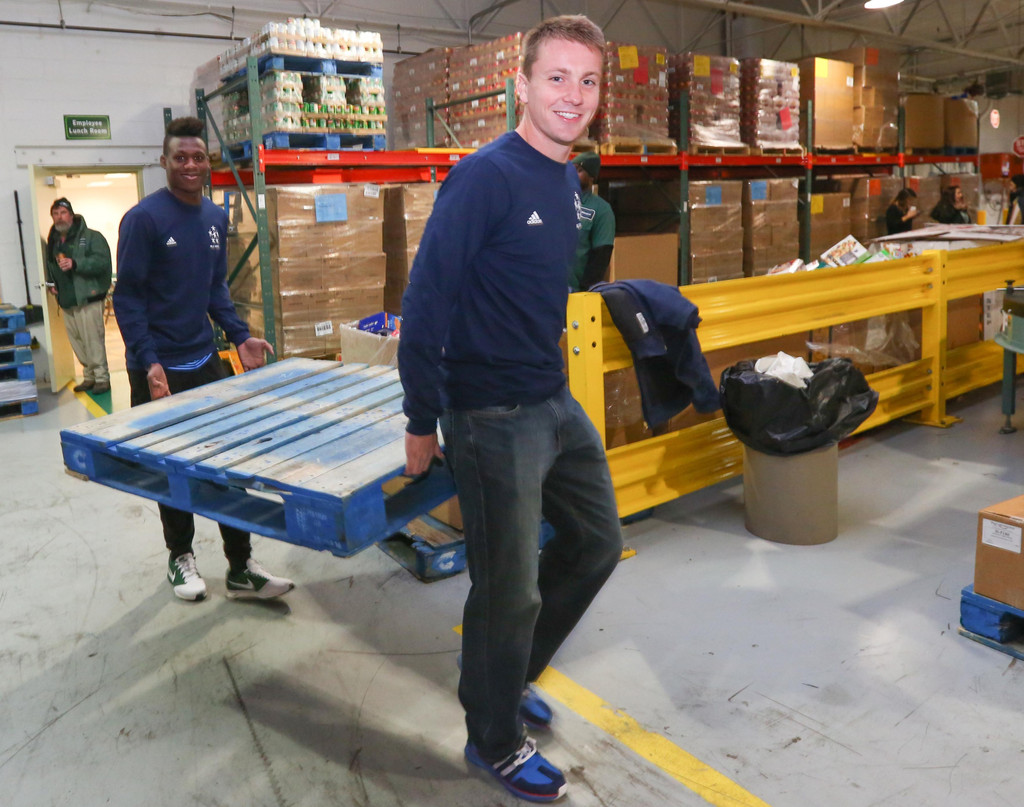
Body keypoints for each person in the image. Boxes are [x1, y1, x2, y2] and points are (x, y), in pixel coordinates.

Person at [398, 15, 623, 803]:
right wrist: (422, 418)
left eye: (587, 80)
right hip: (488, 411)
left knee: (598, 542)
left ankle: (507, 674)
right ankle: (492, 736)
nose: (573, 95)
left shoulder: (565, 180)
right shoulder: (485, 177)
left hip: (551, 397)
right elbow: (427, 300)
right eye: (556, 77)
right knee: (507, 586)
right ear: (521, 85)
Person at [113, 116, 294, 603]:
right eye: (180, 157)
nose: (190, 165)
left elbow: (215, 287)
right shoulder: (144, 219)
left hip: (203, 361)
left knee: (226, 461)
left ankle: (240, 565)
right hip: (157, 370)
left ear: (206, 161)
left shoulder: (214, 218)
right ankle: (181, 557)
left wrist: (239, 336)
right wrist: (147, 361)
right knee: (173, 468)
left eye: (198, 157)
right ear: (164, 162)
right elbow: (127, 297)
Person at [45, 198, 112, 394]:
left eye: (63, 213)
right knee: (77, 341)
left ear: (72, 215)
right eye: (55, 214)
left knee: (93, 340)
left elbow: (102, 263)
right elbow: (52, 267)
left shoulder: (92, 237)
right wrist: (53, 284)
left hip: (88, 297)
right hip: (67, 300)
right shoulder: (54, 241)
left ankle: (102, 378)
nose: (59, 218)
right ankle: (89, 377)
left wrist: (76, 264)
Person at [568, 151, 615, 291]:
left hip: (577, 291)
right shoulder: (558, 201)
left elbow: (601, 255)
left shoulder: (601, 209)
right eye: (572, 169)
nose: (573, 174)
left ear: (591, 176)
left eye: (580, 170)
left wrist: (585, 289)